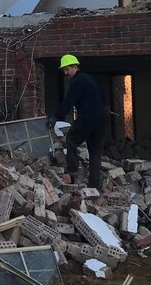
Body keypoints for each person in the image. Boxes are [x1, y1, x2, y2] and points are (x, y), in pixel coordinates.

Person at [46, 54, 108, 189]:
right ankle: (94, 186)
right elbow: (103, 97)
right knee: (95, 153)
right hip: (101, 118)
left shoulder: (78, 81)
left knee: (71, 140)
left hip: (88, 117)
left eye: (67, 69)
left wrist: (56, 117)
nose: (65, 73)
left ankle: (73, 168)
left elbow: (70, 100)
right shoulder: (89, 79)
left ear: (75, 66)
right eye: (64, 70)